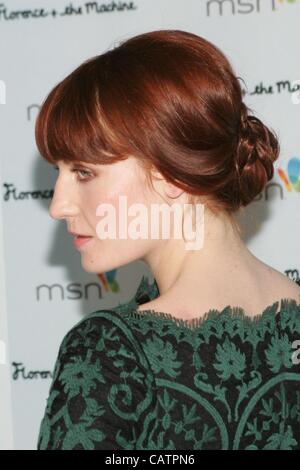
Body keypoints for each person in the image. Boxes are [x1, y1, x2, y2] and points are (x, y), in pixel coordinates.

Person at [35, 29, 300, 450]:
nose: (59, 206)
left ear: (170, 175)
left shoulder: (110, 353)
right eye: (58, 173)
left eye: (84, 172)